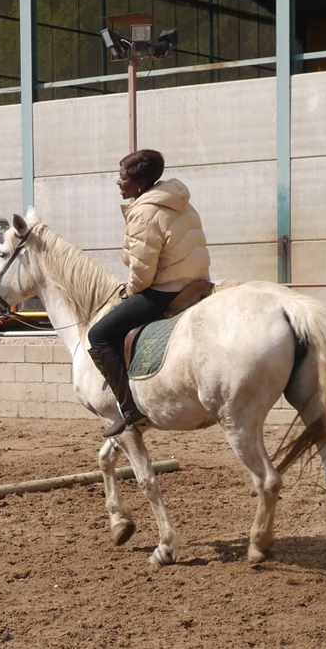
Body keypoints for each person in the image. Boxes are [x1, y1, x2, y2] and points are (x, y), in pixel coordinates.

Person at [85, 148, 210, 437]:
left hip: (166, 290)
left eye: (123, 178)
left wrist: (129, 291)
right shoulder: (178, 201)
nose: (118, 182)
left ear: (139, 184)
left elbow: (142, 271)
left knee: (99, 335)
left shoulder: (143, 211)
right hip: (197, 283)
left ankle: (129, 410)